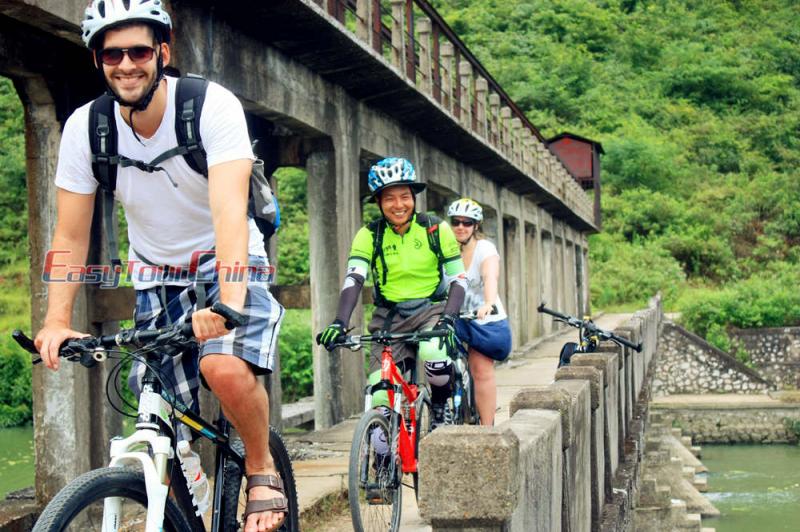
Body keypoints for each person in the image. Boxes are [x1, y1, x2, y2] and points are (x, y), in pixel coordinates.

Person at [33, 1, 286, 530]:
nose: (127, 64)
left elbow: (229, 217)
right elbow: (71, 234)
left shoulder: (208, 106)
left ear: (162, 53)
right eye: (112, 53)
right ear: (99, 60)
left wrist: (228, 304)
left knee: (221, 365)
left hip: (229, 259)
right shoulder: (87, 129)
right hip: (154, 273)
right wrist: (57, 319)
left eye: (139, 51)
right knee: (157, 419)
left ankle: (262, 468)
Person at [317, 157, 467, 429]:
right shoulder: (369, 235)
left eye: (405, 196)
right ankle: (382, 458)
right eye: (389, 198)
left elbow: (459, 280)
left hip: (431, 310)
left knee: (434, 351)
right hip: (389, 315)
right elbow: (354, 279)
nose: (399, 205)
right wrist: (339, 321)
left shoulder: (436, 229)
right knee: (380, 396)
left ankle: (439, 406)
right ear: (378, 202)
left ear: (414, 197)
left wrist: (448, 318)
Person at [447, 198, 512, 426]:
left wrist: (488, 302)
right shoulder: (445, 247)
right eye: (456, 222)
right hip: (453, 317)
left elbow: (490, 275)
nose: (461, 227)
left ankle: (487, 428)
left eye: (467, 222)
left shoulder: (485, 248)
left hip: (484, 318)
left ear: (476, 225)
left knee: (480, 368)